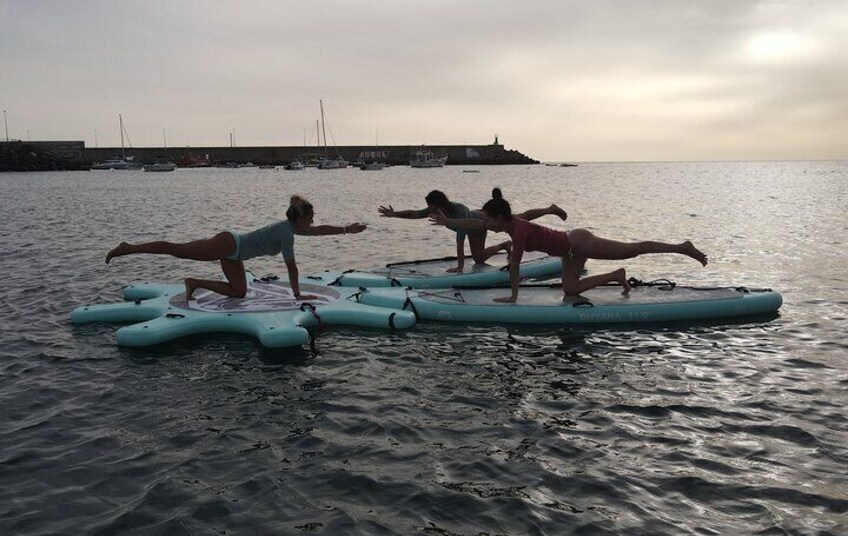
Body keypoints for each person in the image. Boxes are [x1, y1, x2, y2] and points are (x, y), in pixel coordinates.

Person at [430, 188, 708, 302]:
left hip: (579, 242)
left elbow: (514, 267)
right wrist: (447, 223)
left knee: (632, 249)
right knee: (570, 290)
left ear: (500, 218)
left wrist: (513, 297)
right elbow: (475, 224)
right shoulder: (511, 222)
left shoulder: (520, 229)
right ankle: (616, 276)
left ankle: (682, 247)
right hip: (568, 251)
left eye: (490, 220)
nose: (487, 225)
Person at [105, 195, 366, 300]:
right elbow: (292, 267)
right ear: (300, 218)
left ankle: (194, 283)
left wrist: (346, 229)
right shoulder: (287, 233)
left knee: (239, 292)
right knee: (179, 249)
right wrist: (297, 295)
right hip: (229, 243)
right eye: (311, 215)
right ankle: (129, 248)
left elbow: (319, 231)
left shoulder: (291, 227)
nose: (314, 219)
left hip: (235, 254)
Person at [378, 189, 567, 272]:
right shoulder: (437, 210)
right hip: (478, 222)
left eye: (432, 207)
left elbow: (461, 239)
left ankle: (550, 209)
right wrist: (393, 215)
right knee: (479, 259)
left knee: (520, 218)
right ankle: (504, 244)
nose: (430, 210)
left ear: (440, 204)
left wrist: (460, 267)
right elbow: (414, 214)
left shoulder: (457, 210)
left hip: (478, 225)